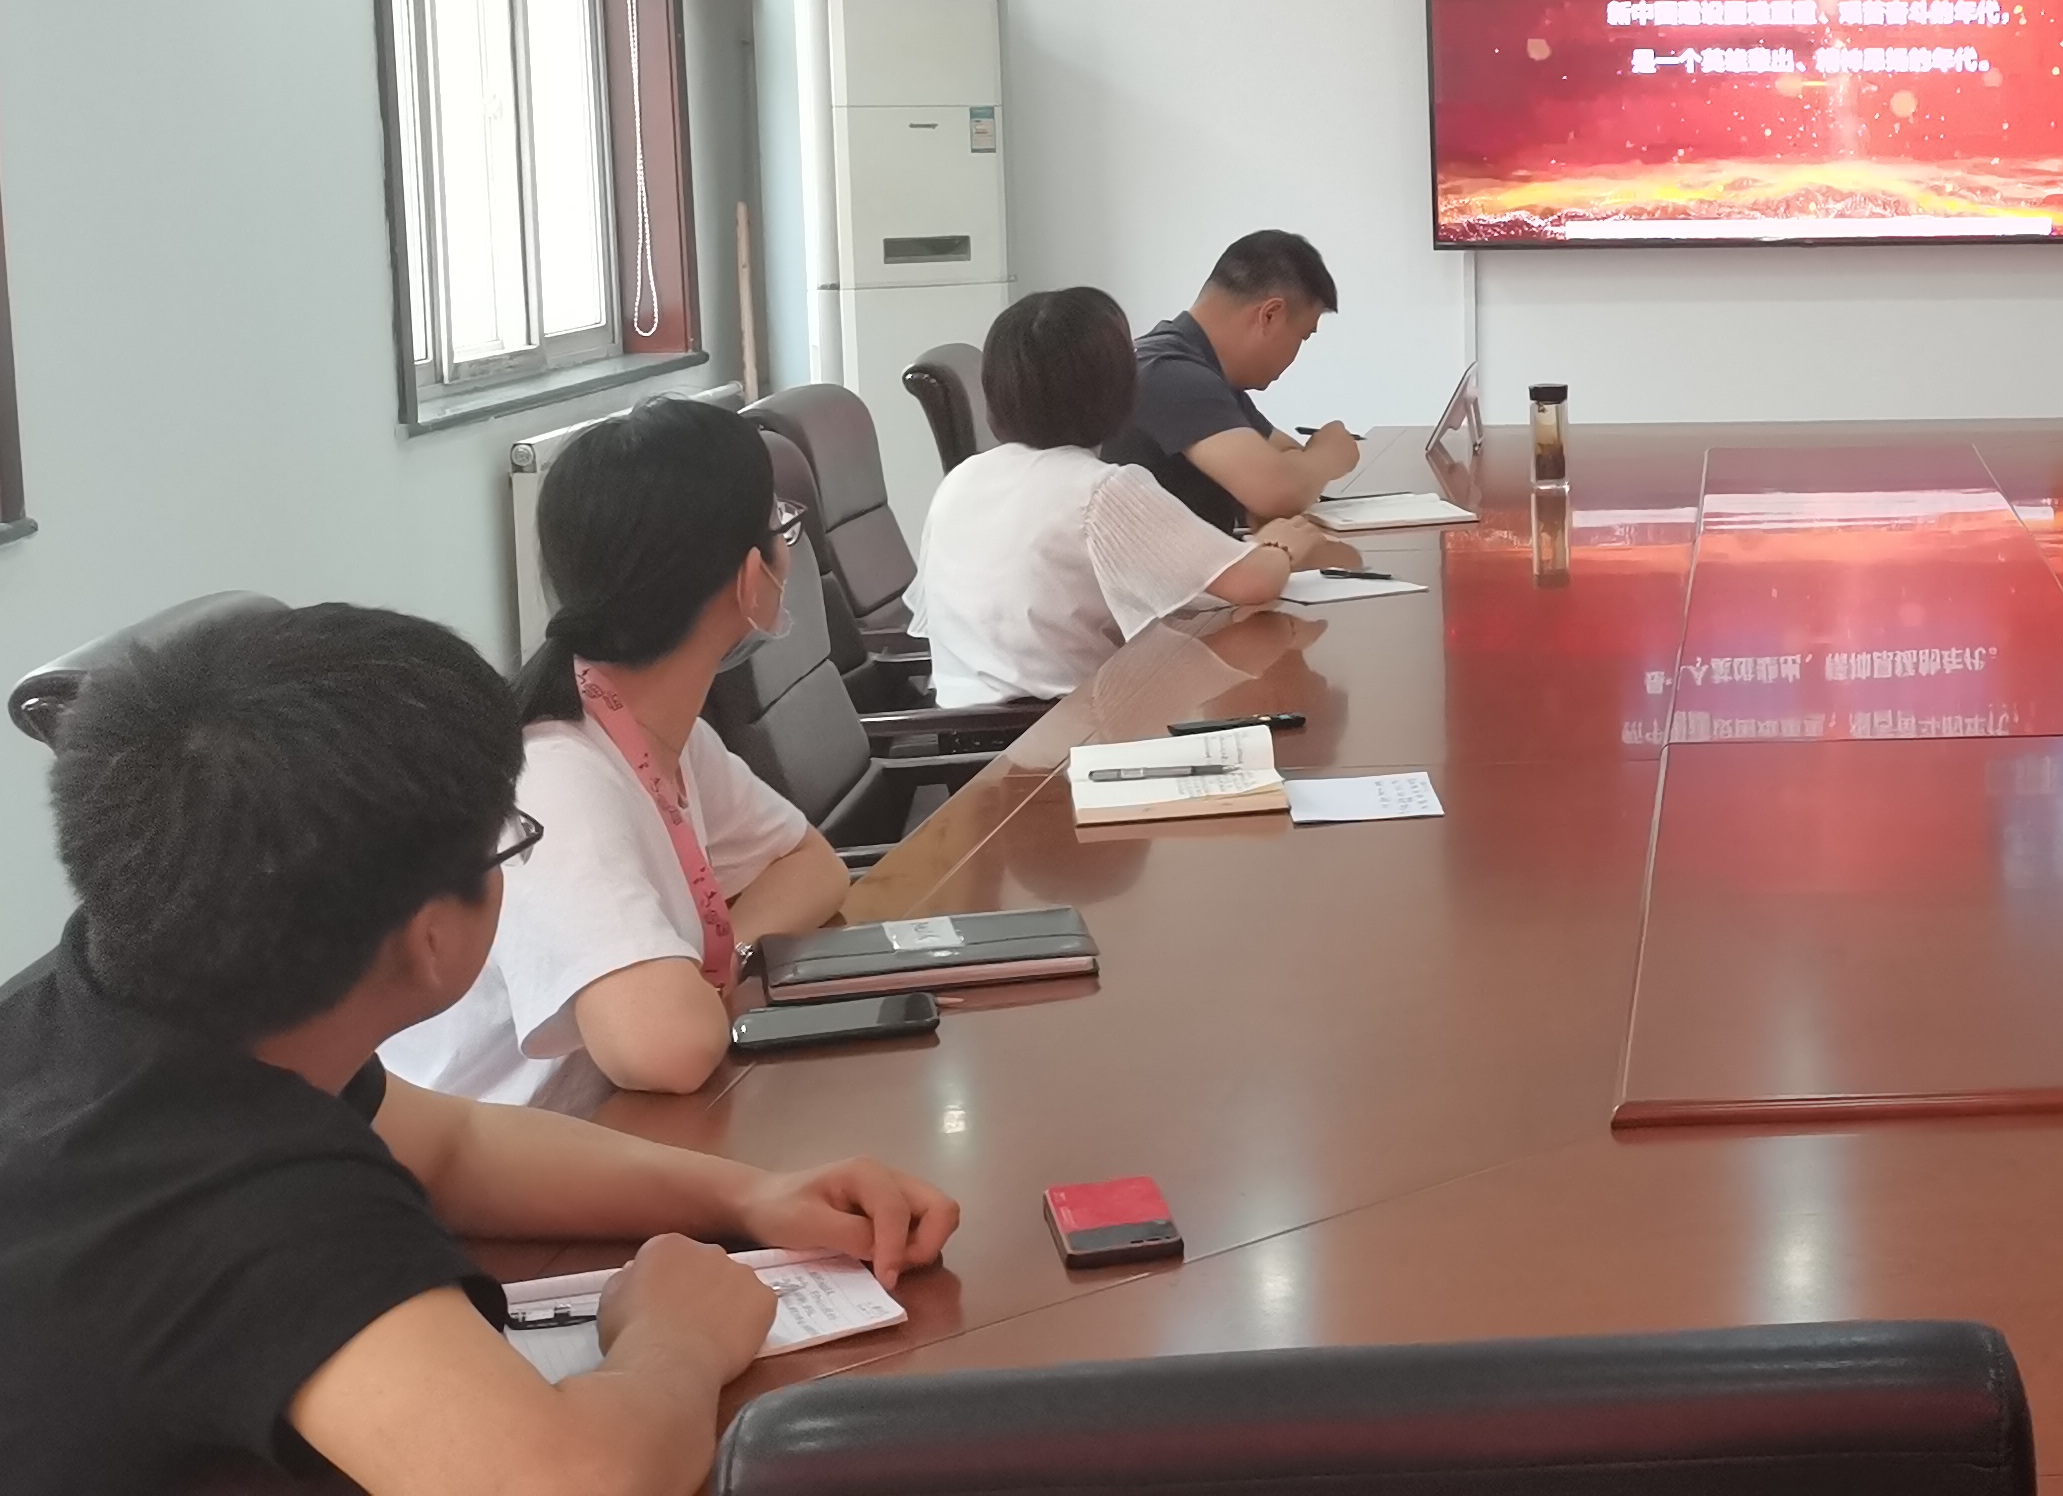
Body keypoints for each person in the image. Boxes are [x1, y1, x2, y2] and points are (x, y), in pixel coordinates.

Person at [0, 603, 960, 1496]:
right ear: (433, 934)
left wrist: (748, 1197)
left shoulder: (117, 999)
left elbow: (454, 1143)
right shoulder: (235, 1196)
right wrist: (675, 1339)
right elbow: (568, 1484)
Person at [382, 398, 851, 1104]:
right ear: (752, 577)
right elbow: (665, 1049)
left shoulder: (657, 728)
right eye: (781, 525)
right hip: (519, 1160)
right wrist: (696, 988)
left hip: (617, 1129)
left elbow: (811, 866)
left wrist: (719, 962)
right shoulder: (555, 780)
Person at [916, 284, 1338, 704]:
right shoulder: (1099, 489)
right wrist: (1282, 544)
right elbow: (1253, 582)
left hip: (962, 724)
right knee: (1270, 702)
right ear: (1116, 387)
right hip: (1063, 727)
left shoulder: (961, 478)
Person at [1102, 229, 1360, 533]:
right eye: (1302, 336)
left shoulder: (1195, 363)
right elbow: (1279, 491)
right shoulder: (1171, 373)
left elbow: (1285, 457)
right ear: (1270, 315)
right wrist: (1330, 453)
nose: (1296, 353)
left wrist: (1291, 479)